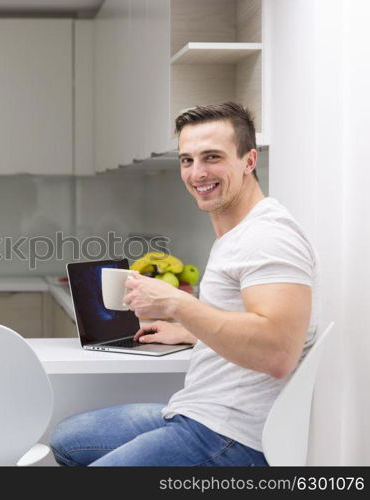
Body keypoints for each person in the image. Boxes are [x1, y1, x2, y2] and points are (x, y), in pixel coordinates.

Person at [50, 102, 318, 466]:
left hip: (230, 437)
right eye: (187, 160)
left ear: (249, 161)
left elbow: (278, 352)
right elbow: (253, 320)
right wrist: (190, 330)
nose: (197, 173)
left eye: (212, 157)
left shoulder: (269, 236)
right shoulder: (240, 232)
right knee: (69, 440)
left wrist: (177, 304)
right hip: (199, 412)